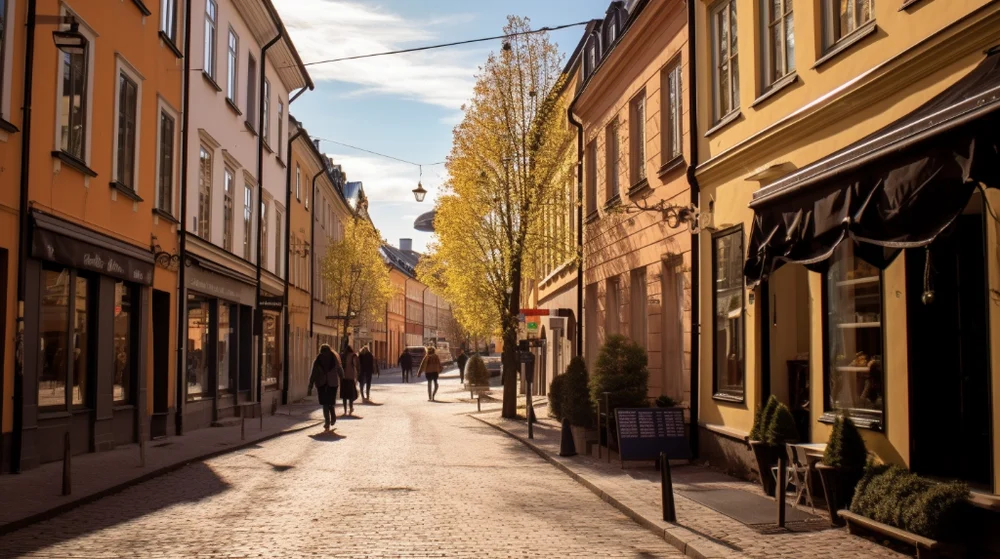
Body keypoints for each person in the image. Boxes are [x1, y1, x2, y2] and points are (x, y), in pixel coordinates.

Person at [307, 345, 343, 431]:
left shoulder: (318, 359)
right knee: (330, 402)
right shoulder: (334, 358)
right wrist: (342, 378)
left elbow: (314, 373)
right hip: (333, 383)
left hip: (322, 383)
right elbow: (339, 369)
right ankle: (333, 415)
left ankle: (327, 422)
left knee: (325, 404)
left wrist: (310, 385)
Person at [340, 345, 361, 416]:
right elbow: (356, 365)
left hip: (343, 378)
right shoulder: (353, 356)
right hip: (350, 377)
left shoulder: (342, 356)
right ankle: (351, 407)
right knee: (351, 394)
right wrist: (357, 375)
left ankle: (345, 410)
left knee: (344, 395)